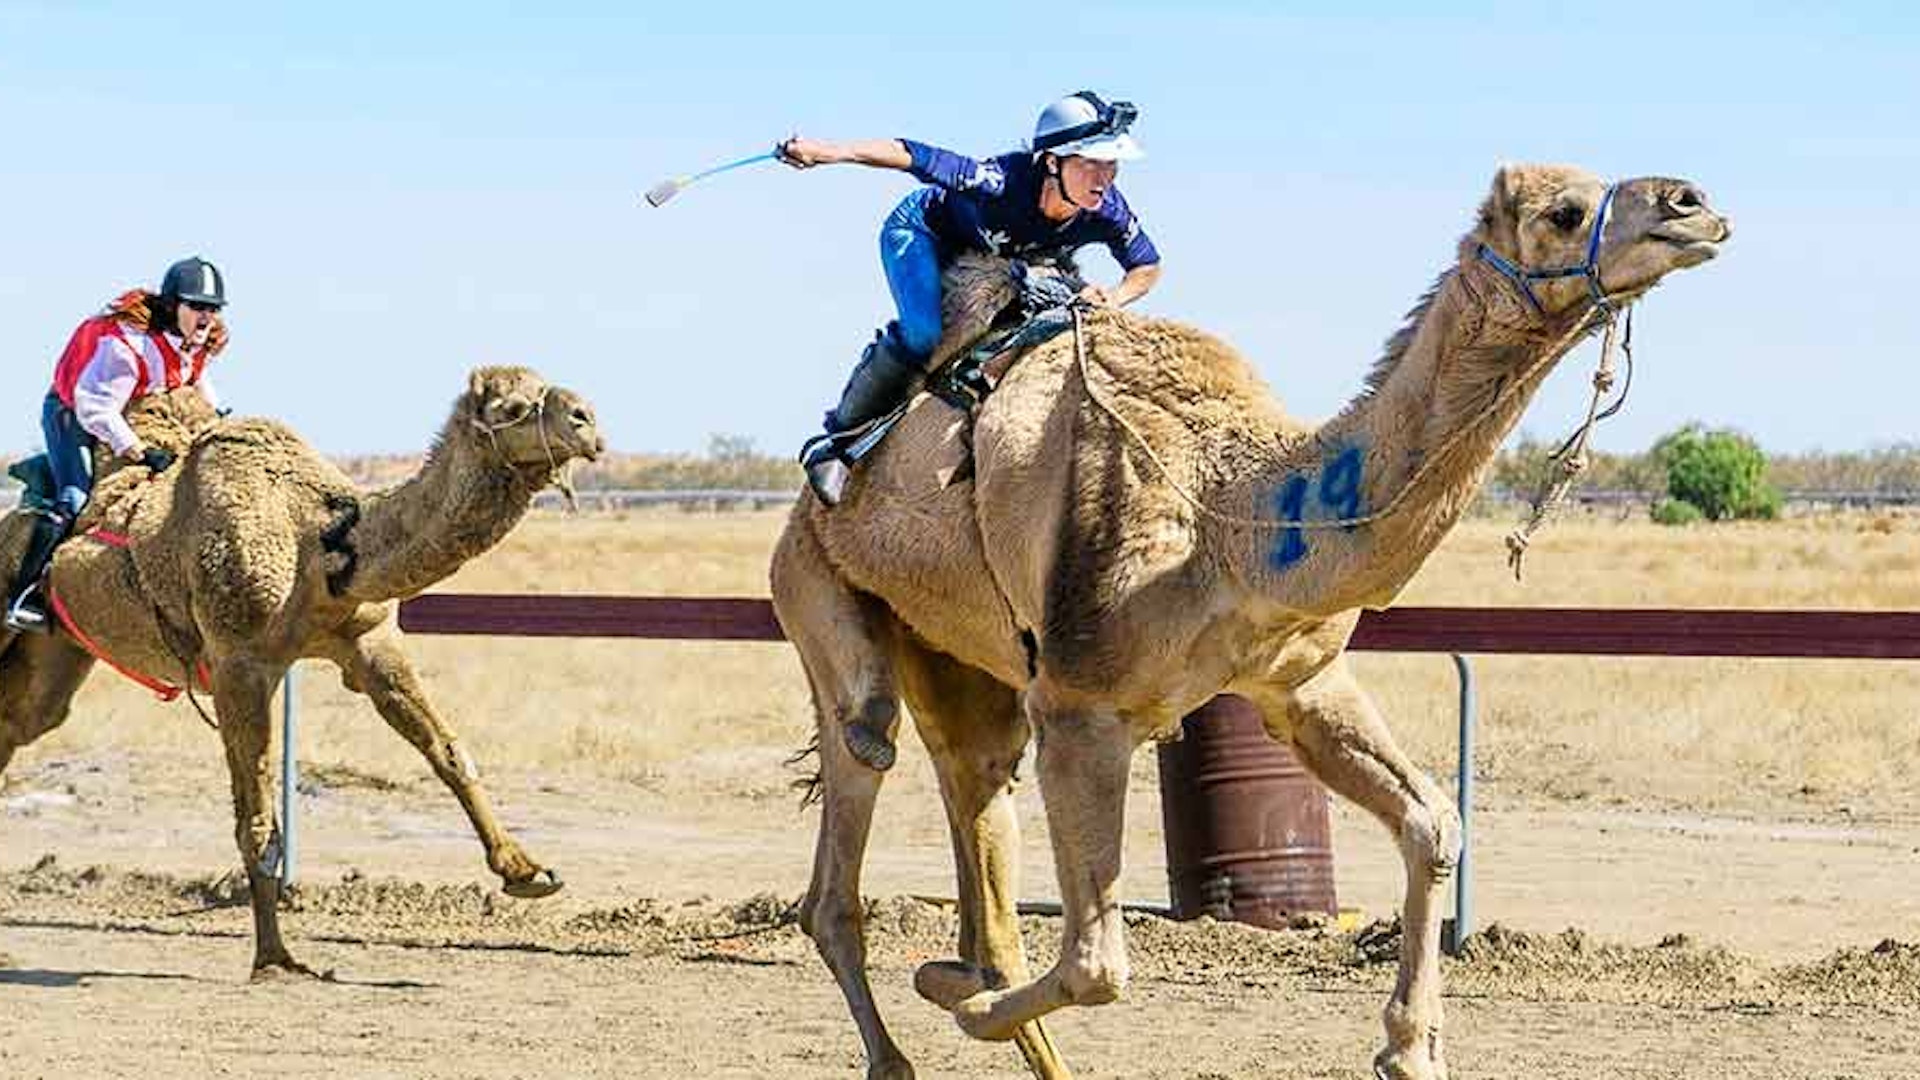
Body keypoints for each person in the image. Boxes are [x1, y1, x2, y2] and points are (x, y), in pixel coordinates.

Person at [780, 91, 1163, 505]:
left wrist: (1116, 295)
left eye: (1111, 163)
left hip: (1006, 259)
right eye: (1090, 163)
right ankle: (836, 444)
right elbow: (911, 154)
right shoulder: (998, 182)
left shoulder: (1108, 211)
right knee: (924, 333)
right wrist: (830, 152)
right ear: (1052, 161)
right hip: (924, 234)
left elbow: (1147, 266)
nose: (1104, 178)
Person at [5, 256, 230, 632]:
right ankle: (23, 596)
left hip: (123, 410)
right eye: (197, 306)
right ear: (174, 305)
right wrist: (139, 451)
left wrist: (219, 420)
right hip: (74, 412)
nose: (207, 316)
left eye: (212, 308)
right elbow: (96, 409)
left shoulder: (197, 342)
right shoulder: (129, 346)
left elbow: (195, 383)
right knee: (76, 497)